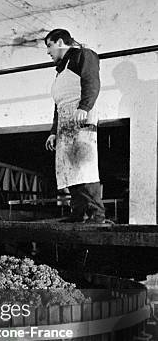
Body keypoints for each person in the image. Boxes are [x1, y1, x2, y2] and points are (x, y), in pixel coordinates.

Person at [44, 28, 107, 224]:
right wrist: (54, 132)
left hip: (80, 117)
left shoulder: (83, 55)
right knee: (68, 168)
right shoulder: (61, 69)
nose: (48, 52)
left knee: (83, 164)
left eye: (50, 46)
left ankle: (96, 214)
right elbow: (58, 106)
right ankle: (78, 212)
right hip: (65, 121)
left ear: (61, 42)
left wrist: (84, 107)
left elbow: (91, 81)